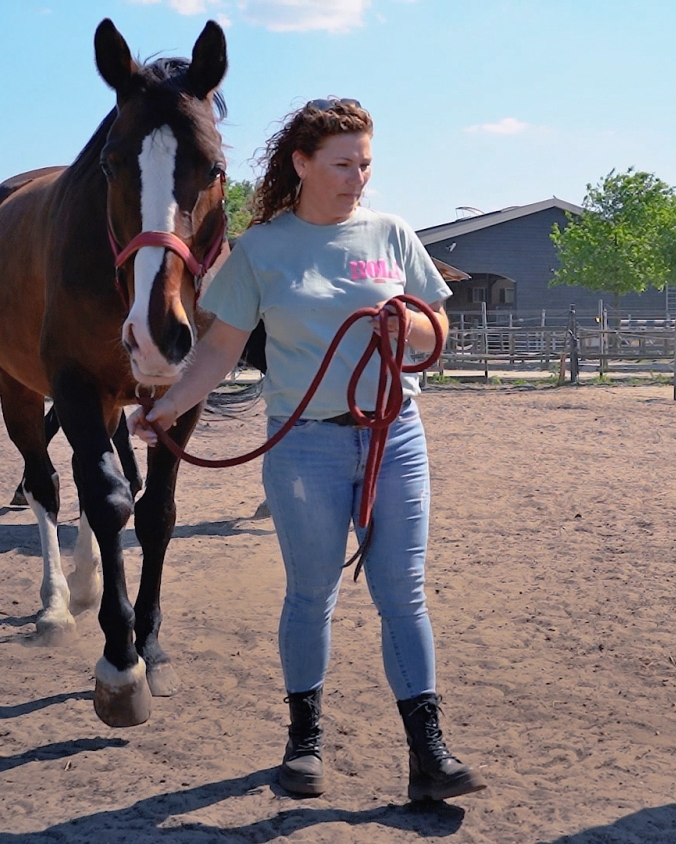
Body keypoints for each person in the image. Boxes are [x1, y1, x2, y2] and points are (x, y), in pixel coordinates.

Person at [131, 98, 485, 802]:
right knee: (311, 595)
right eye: (344, 164)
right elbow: (222, 348)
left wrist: (408, 329)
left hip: (394, 437)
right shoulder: (263, 249)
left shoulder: (391, 234)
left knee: (402, 596)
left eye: (366, 164)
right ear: (302, 164)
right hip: (304, 446)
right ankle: (305, 742)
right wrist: (170, 404)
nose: (358, 177)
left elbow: (436, 330)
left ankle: (429, 753)